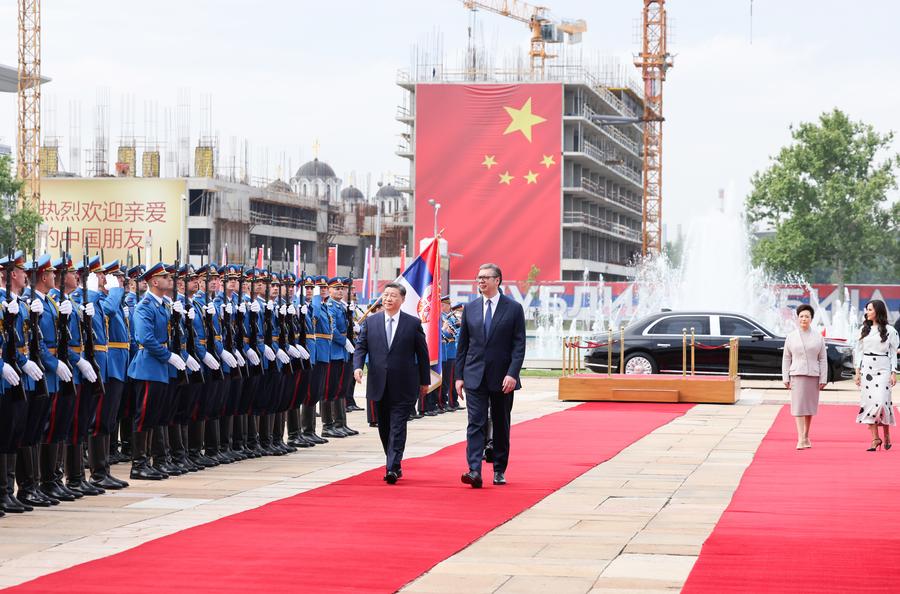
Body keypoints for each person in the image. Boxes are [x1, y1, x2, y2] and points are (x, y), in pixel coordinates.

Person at [456, 263, 526, 488]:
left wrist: (512, 374)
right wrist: (458, 377)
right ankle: (474, 470)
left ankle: (499, 469)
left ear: (498, 280)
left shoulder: (513, 308)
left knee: (501, 423)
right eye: (478, 278)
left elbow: (519, 345)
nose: (481, 281)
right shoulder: (471, 308)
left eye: (486, 277)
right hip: (474, 375)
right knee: (475, 422)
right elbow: (463, 345)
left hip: (502, 378)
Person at [353, 283, 429, 484]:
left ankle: (392, 467)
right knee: (384, 426)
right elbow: (361, 347)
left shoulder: (412, 323)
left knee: (398, 425)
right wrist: (357, 367)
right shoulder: (371, 322)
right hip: (378, 384)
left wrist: (424, 381)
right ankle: (393, 459)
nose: (388, 299)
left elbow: (422, 354)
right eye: (385, 295)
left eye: (393, 295)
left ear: (402, 300)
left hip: (405, 384)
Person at [855, 299, 899, 450]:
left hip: (883, 368)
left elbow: (893, 353)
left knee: (881, 402)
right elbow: (858, 352)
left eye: (870, 310)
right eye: (866, 309)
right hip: (867, 369)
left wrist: (894, 372)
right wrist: (857, 372)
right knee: (868, 404)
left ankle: (886, 434)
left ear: (878, 311)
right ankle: (875, 439)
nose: (867, 312)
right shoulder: (863, 329)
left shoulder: (890, 330)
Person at [781, 304, 827, 449]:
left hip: (813, 375)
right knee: (798, 407)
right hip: (797, 374)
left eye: (807, 316)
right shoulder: (791, 337)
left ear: (811, 319)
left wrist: (823, 378)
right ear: (797, 318)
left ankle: (806, 436)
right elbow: (786, 358)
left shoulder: (818, 337)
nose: (804, 319)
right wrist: (785, 377)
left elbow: (823, 359)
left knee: (809, 408)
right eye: (801, 316)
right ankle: (800, 438)